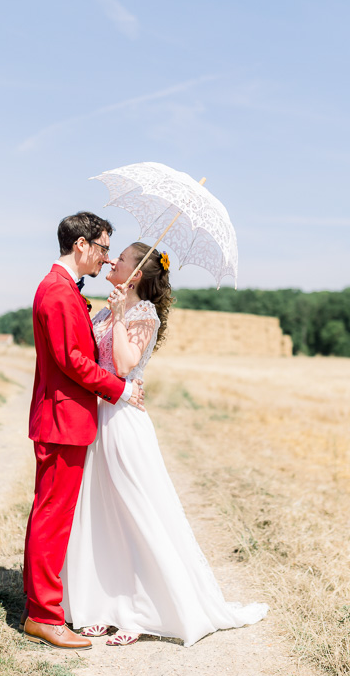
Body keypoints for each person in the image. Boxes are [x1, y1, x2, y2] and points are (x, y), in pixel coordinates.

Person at [61, 241, 268, 647]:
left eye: (119, 259)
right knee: (101, 512)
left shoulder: (143, 314)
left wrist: (118, 316)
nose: (111, 261)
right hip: (97, 417)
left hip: (122, 420)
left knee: (135, 511)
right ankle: (103, 605)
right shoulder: (107, 307)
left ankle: (141, 611)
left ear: (135, 274)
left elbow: (121, 366)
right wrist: (103, 313)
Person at [23, 213, 145, 651]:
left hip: (65, 418)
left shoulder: (64, 290)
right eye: (103, 247)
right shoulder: (57, 293)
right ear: (81, 245)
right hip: (62, 419)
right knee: (52, 518)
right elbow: (71, 360)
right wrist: (121, 389)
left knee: (51, 514)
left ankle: (42, 607)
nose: (107, 256)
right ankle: (44, 616)